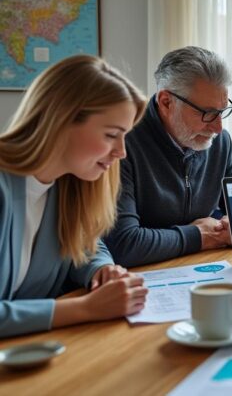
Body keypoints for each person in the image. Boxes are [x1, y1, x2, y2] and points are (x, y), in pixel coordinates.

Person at [0, 55, 149, 338]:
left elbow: (85, 243)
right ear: (61, 121)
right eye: (111, 135)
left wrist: (102, 270)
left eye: (125, 137)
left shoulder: (64, 184)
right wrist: (86, 308)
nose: (122, 152)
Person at [104, 46, 232, 268]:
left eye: (222, 111)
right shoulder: (121, 144)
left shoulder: (220, 142)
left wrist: (230, 226)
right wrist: (199, 236)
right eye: (207, 113)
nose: (218, 128)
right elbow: (124, 244)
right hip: (142, 275)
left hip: (201, 266)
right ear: (166, 102)